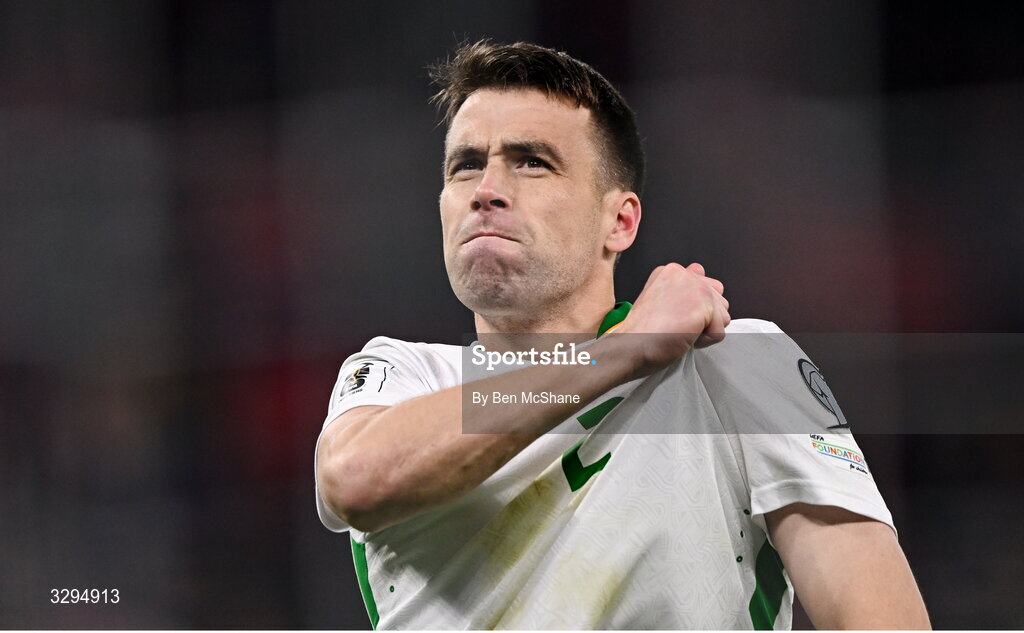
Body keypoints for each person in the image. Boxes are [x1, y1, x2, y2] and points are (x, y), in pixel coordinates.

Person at [314, 40, 929, 630]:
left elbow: (876, 613)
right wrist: (623, 351)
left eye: (531, 162)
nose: (486, 191)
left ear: (620, 220)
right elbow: (355, 482)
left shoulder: (732, 364)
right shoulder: (402, 376)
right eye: (466, 166)